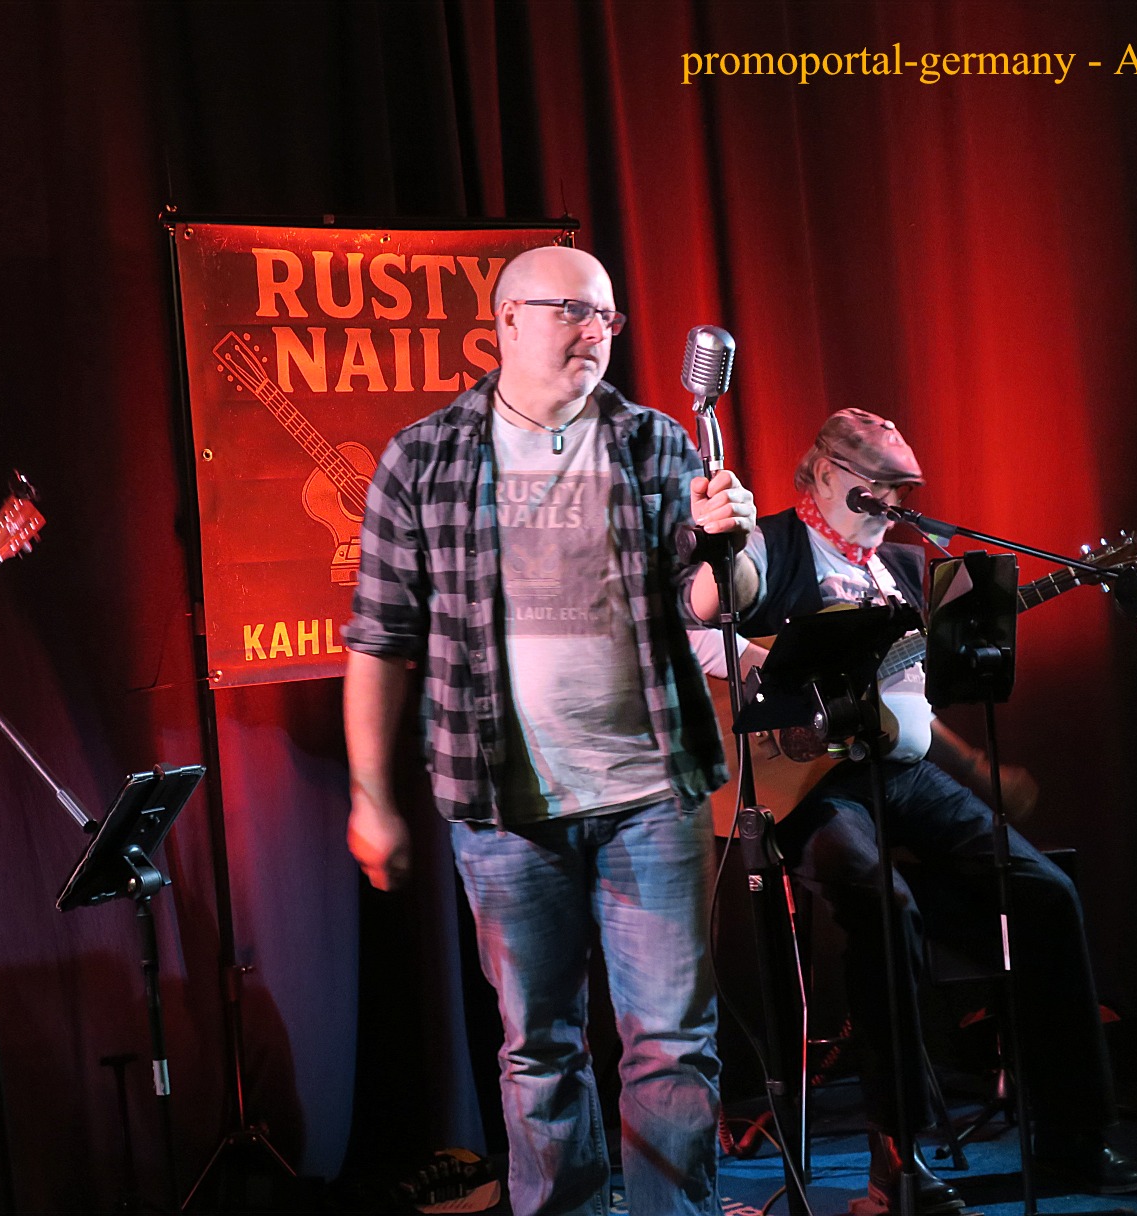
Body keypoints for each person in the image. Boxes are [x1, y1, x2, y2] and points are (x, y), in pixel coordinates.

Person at [343, 245, 755, 1216]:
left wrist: (730, 541)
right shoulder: (425, 457)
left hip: (652, 794)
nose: (596, 330)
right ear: (507, 321)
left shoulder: (655, 442)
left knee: (672, 1044)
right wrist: (371, 798)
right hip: (503, 806)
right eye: (573, 310)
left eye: (608, 315)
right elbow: (380, 639)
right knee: (539, 1048)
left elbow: (714, 602)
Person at [703, 408, 1137, 1213]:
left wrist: (976, 767)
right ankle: (896, 1159)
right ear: (823, 474)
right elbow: (686, 626)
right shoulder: (766, 547)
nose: (888, 501)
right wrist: (783, 676)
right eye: (873, 483)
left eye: (899, 488)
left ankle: (1078, 1135)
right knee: (882, 905)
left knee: (1046, 892)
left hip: (903, 774)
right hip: (804, 784)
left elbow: (907, 699)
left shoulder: (906, 568)